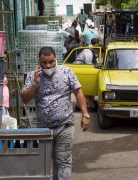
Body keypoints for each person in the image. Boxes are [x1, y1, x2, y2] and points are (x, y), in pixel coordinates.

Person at [20, 47, 90, 180]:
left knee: (63, 161)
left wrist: (85, 114)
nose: (48, 65)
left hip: (65, 126)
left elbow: (78, 92)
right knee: (47, 163)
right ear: (39, 61)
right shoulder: (32, 76)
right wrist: (35, 84)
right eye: (44, 63)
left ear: (56, 58)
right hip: (44, 129)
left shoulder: (67, 72)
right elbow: (24, 98)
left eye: (51, 62)